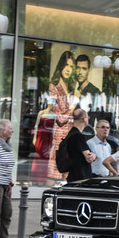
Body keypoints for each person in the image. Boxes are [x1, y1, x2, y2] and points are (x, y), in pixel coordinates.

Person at [46, 51, 76, 183]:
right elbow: (60, 117)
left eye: (71, 66)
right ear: (61, 66)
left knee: (67, 174)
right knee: (56, 172)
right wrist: (73, 107)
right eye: (66, 65)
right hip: (59, 133)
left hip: (70, 133)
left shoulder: (70, 87)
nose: (68, 69)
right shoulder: (54, 86)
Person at [64, 108, 96, 183]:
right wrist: (94, 155)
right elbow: (89, 158)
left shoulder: (71, 133)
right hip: (81, 176)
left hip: (74, 175)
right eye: (87, 117)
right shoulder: (78, 136)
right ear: (84, 119)